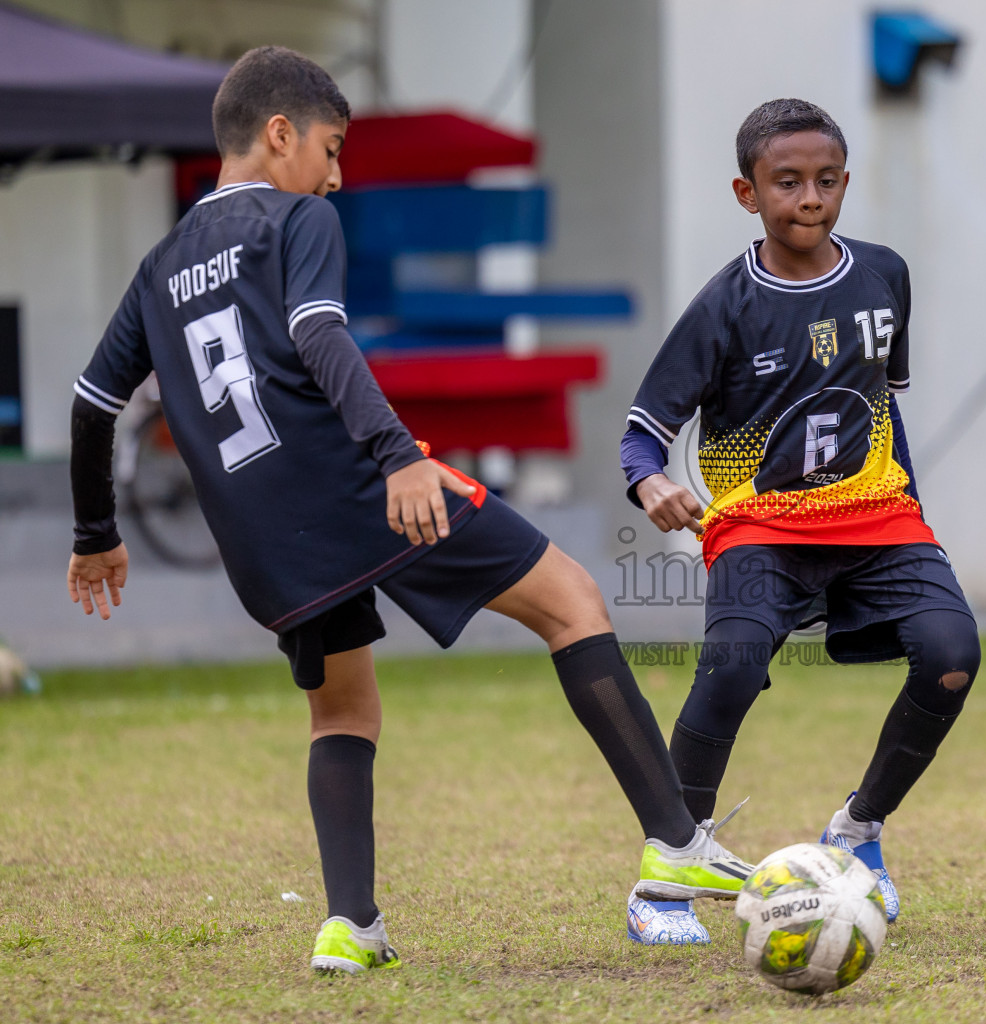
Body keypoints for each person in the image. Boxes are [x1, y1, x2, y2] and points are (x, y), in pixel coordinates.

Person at [63, 46, 749, 972]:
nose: (337, 177)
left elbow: (91, 403)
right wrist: (398, 459)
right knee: (574, 601)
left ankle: (350, 925)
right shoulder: (295, 218)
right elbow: (320, 334)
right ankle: (677, 843)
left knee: (341, 713)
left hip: (261, 536)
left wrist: (95, 533)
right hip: (360, 488)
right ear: (279, 134)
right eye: (333, 149)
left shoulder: (156, 269)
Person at [618, 99, 981, 944]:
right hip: (761, 525)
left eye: (825, 181)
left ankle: (858, 831)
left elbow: (881, 407)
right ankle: (666, 874)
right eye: (787, 183)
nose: (809, 198)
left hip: (879, 516)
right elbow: (643, 433)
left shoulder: (885, 275)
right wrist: (651, 487)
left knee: (954, 656)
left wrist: (916, 521)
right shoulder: (726, 305)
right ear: (748, 194)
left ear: (845, 184)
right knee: (732, 668)